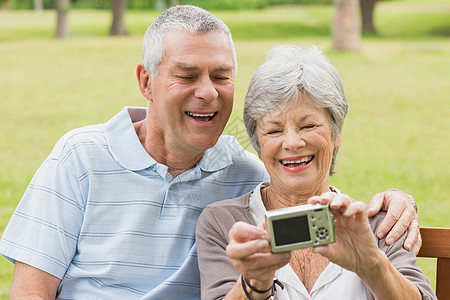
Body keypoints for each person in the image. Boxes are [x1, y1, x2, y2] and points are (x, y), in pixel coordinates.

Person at [0, 5, 420, 300]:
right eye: (187, 75)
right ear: (146, 82)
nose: (207, 92)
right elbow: (31, 292)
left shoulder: (242, 171)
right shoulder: (80, 157)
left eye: (221, 76)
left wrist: (399, 203)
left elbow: (300, 183)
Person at [195, 45, 435, 300]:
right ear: (258, 144)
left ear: (336, 133)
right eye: (274, 131)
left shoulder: (378, 225)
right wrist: (256, 282)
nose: (292, 143)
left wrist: (372, 265)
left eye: (308, 125)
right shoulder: (224, 223)